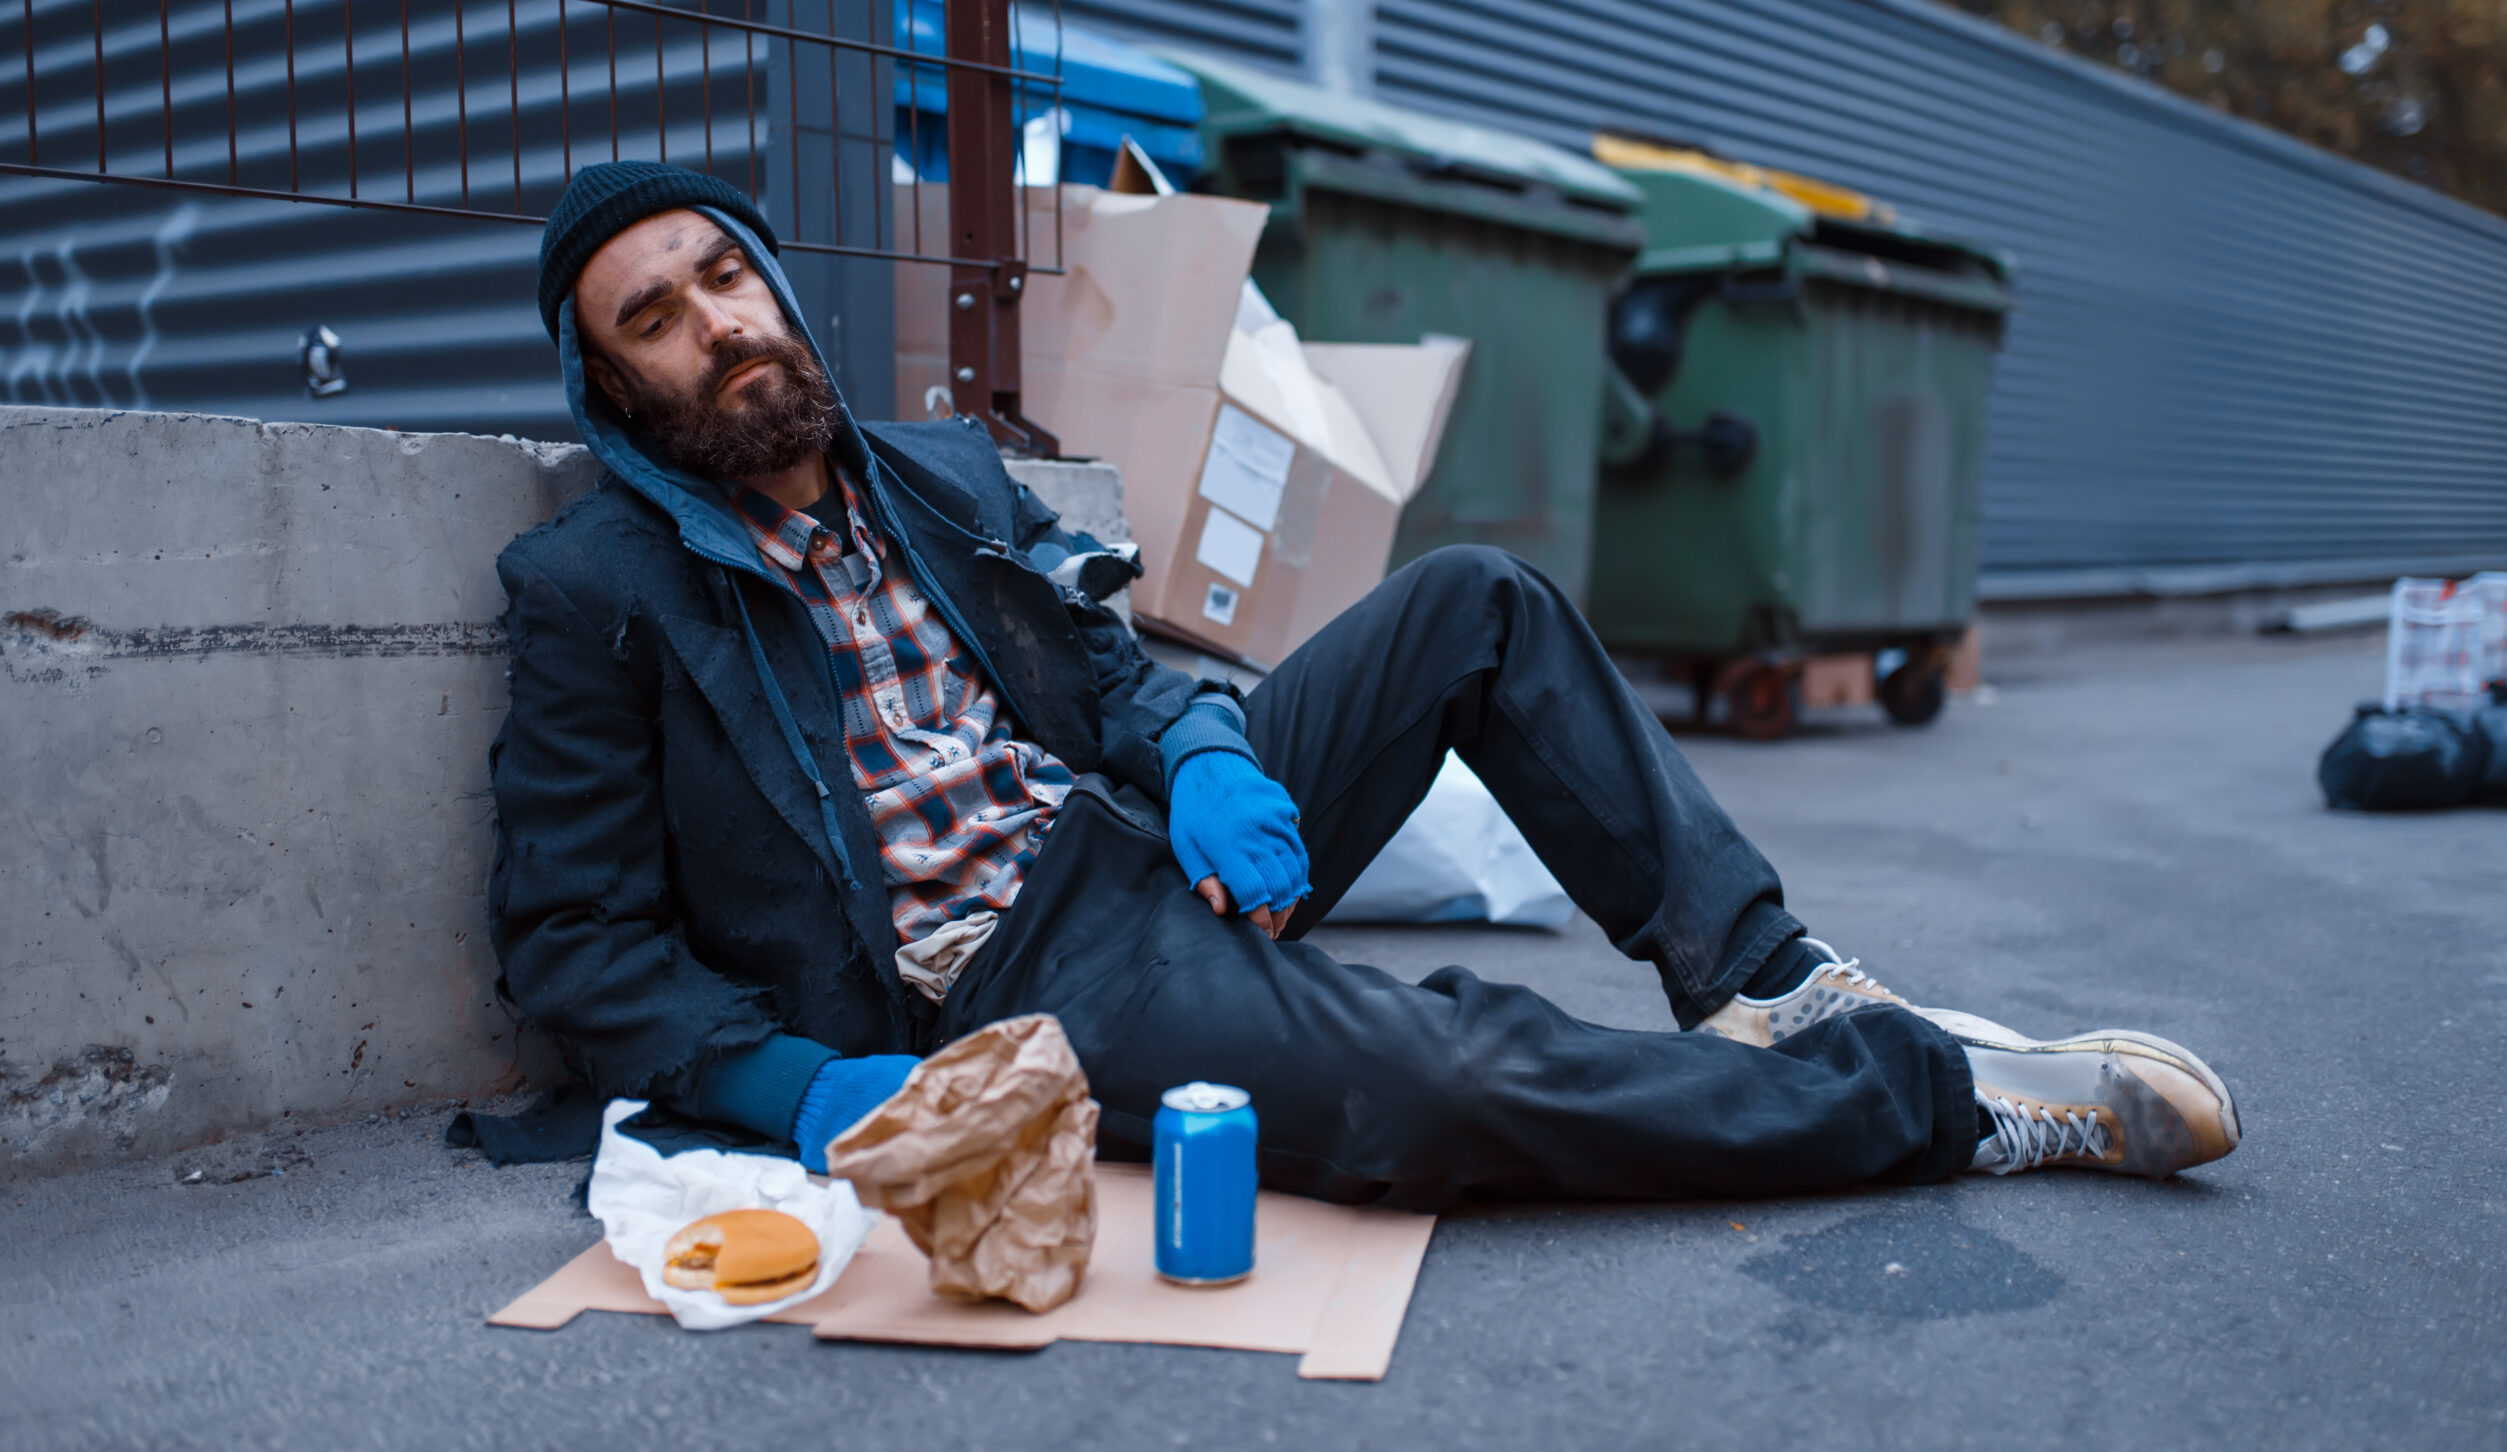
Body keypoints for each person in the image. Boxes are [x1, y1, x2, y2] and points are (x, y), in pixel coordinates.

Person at [487, 161, 2240, 1209]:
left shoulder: (935, 476)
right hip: (1007, 977)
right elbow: (576, 934)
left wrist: (1199, 756)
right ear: (613, 386)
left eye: (726, 276)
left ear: (776, 286)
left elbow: (1110, 668)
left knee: (1471, 599)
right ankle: (1939, 1099)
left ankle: (1767, 984)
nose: (717, 323)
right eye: (657, 317)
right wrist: (792, 1084)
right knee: (1438, 1083)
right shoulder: (598, 594)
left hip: (1135, 842)